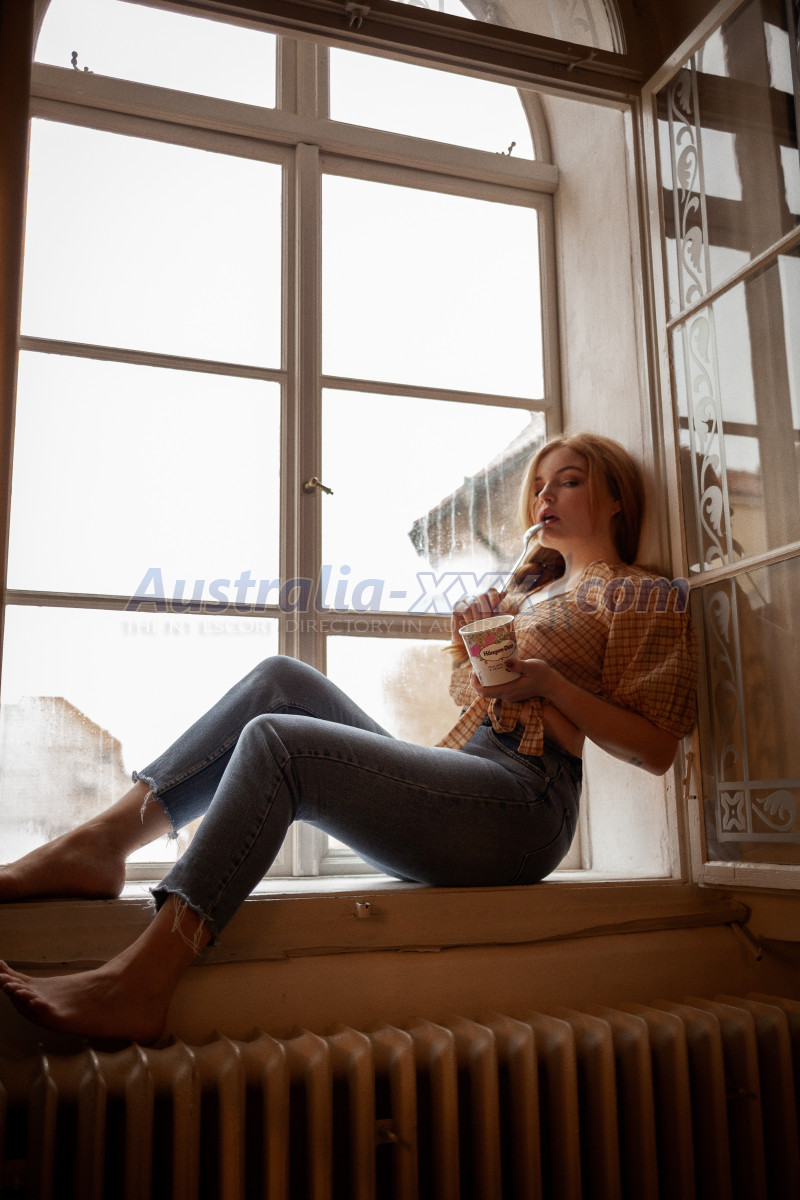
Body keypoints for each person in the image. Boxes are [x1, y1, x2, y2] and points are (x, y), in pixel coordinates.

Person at [0, 433, 698, 1043]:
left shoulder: (637, 593)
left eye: (568, 481)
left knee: (280, 744)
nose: (545, 495)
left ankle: (143, 979)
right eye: (539, 485)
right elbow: (480, 697)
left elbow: (657, 748)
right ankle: (102, 844)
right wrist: (477, 643)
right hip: (472, 776)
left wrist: (552, 684)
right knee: (280, 680)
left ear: (615, 498)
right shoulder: (527, 593)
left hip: (527, 803)